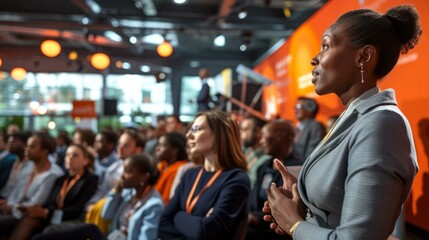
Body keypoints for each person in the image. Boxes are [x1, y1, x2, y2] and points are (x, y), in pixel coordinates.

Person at [263, 5, 421, 240]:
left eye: (326, 45)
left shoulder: (382, 124)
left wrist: (294, 225)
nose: (314, 59)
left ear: (364, 56)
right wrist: (303, 204)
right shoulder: (355, 118)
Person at [158, 111, 251, 239]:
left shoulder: (236, 179)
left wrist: (178, 215)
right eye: (191, 129)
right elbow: (163, 223)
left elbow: (206, 231)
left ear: (219, 135)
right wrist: (195, 224)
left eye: (197, 129)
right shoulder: (190, 175)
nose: (189, 134)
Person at [7, 144, 98, 239]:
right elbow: (50, 202)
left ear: (85, 161)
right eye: (67, 155)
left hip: (72, 219)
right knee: (28, 218)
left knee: (42, 235)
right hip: (53, 216)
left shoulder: (90, 180)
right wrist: (39, 209)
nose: (70, 158)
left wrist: (47, 212)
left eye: (75, 155)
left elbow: (77, 208)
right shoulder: (61, 179)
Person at [247, 120, 304, 240]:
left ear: (279, 137)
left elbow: (287, 207)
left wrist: (255, 218)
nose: (261, 141)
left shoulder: (297, 169)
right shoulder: (263, 167)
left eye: (264, 136)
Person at [154, 132, 188, 204]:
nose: (157, 148)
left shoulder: (178, 169)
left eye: (162, 145)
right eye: (158, 145)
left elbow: (166, 201)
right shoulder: (161, 166)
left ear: (174, 150)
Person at [240, 115, 271, 187]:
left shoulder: (267, 158)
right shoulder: (248, 151)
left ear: (258, 132)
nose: (241, 134)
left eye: (245, 130)